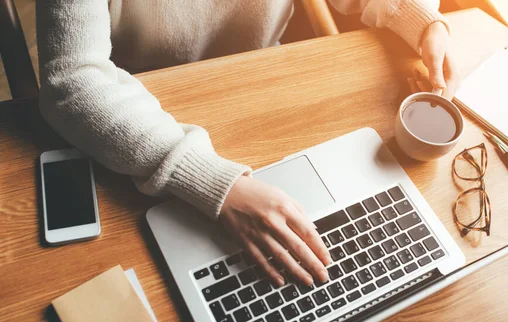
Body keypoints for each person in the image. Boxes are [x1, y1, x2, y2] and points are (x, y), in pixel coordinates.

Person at [37, 0, 460, 287]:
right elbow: (73, 79)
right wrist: (219, 185)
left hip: (260, 89)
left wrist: (421, 21)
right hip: (135, 113)